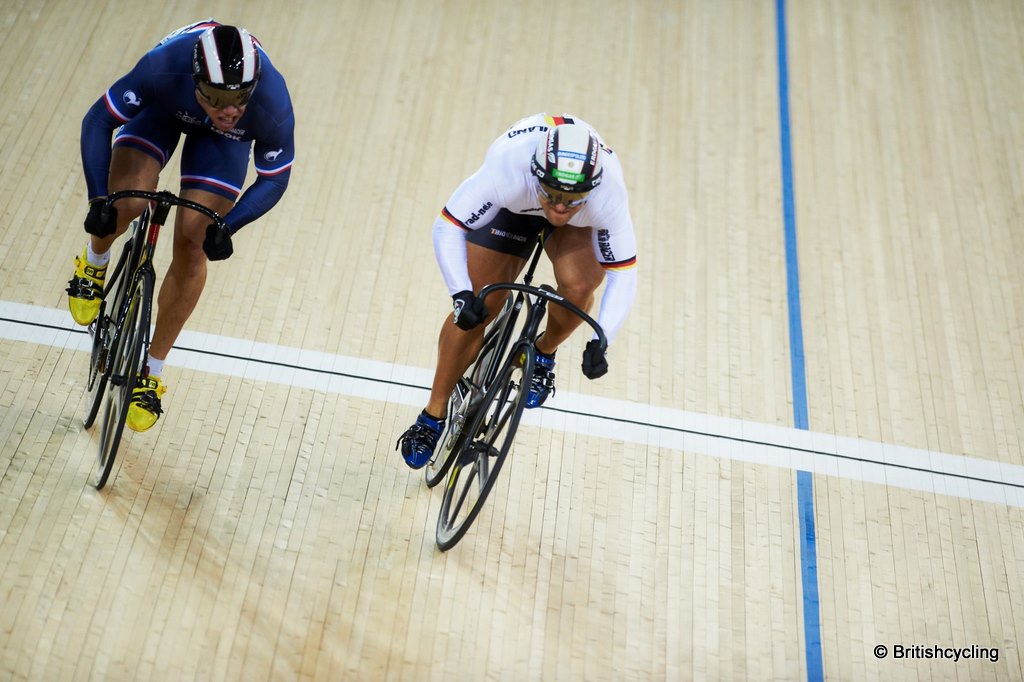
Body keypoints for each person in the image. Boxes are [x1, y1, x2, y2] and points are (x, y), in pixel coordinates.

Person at [66, 19, 295, 432]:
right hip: (164, 108)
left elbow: (275, 177)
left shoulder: (271, 101)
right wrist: (98, 200)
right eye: (218, 98)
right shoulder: (164, 66)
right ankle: (94, 262)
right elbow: (97, 121)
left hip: (224, 144)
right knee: (127, 201)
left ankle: (150, 373)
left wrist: (230, 225)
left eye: (239, 97)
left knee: (195, 241)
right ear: (197, 79)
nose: (229, 109)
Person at [396, 113, 638, 468]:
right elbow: (447, 226)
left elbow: (623, 273)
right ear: (536, 174)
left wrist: (603, 339)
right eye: (553, 193)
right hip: (513, 208)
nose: (559, 207)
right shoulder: (507, 169)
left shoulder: (608, 194)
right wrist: (461, 294)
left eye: (572, 198)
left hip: (574, 226)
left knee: (582, 283)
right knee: (480, 304)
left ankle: (542, 353)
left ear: (592, 188)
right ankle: (432, 415)